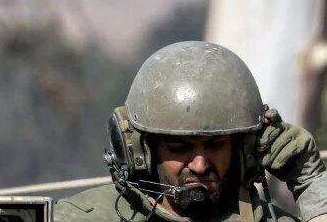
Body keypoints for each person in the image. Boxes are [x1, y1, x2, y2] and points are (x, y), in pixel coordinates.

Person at [55, 40, 327, 222]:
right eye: (180, 147)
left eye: (216, 144)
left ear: (245, 148)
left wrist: (310, 180)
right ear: (141, 151)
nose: (199, 164)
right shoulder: (84, 217)